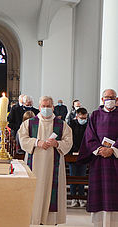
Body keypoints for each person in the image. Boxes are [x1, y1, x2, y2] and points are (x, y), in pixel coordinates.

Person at [18, 96, 73, 225]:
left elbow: (68, 142)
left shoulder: (62, 125)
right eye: (43, 106)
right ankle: (34, 218)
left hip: (54, 165)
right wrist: (37, 142)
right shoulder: (29, 123)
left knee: (52, 189)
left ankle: (50, 220)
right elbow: (23, 139)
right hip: (35, 164)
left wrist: (57, 144)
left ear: (53, 107)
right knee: (35, 189)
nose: (46, 109)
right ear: (39, 107)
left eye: (48, 106)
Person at [77, 89, 118, 227]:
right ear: (102, 99)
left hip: (115, 160)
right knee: (99, 194)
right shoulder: (95, 115)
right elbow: (89, 135)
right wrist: (100, 149)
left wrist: (112, 150)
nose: (110, 99)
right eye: (107, 97)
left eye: (112, 97)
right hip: (98, 160)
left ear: (117, 100)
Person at [67, 107, 88, 208]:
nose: (83, 119)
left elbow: (89, 139)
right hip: (72, 153)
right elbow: (69, 139)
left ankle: (81, 197)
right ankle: (73, 198)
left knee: (82, 176)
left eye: (85, 117)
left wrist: (83, 151)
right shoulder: (71, 125)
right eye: (81, 117)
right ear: (77, 116)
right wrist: (75, 150)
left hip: (84, 154)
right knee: (73, 176)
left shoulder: (88, 125)